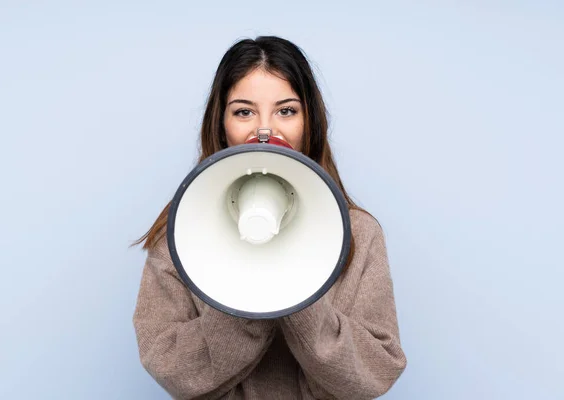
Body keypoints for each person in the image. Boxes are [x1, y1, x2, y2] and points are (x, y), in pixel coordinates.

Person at [132, 35, 407, 399]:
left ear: (310, 120)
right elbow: (168, 364)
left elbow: (376, 372)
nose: (266, 131)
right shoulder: (179, 234)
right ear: (221, 122)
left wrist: (297, 290)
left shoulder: (359, 233)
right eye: (244, 111)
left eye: (286, 111)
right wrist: (246, 290)